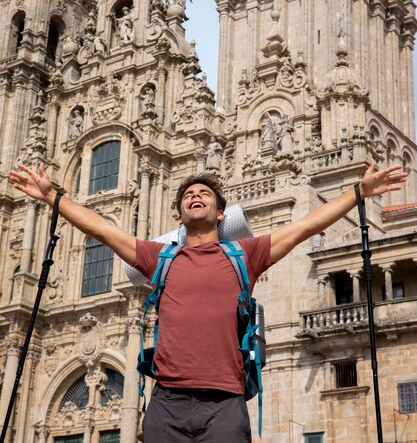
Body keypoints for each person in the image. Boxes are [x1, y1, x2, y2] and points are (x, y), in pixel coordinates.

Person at [9, 161, 407, 442]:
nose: (195, 197)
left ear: (220, 214)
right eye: (188, 195)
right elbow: (101, 226)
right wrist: (52, 197)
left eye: (204, 194)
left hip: (225, 402)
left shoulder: (245, 255)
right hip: (167, 402)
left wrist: (360, 192)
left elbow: (306, 225)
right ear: (180, 214)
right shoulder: (157, 257)